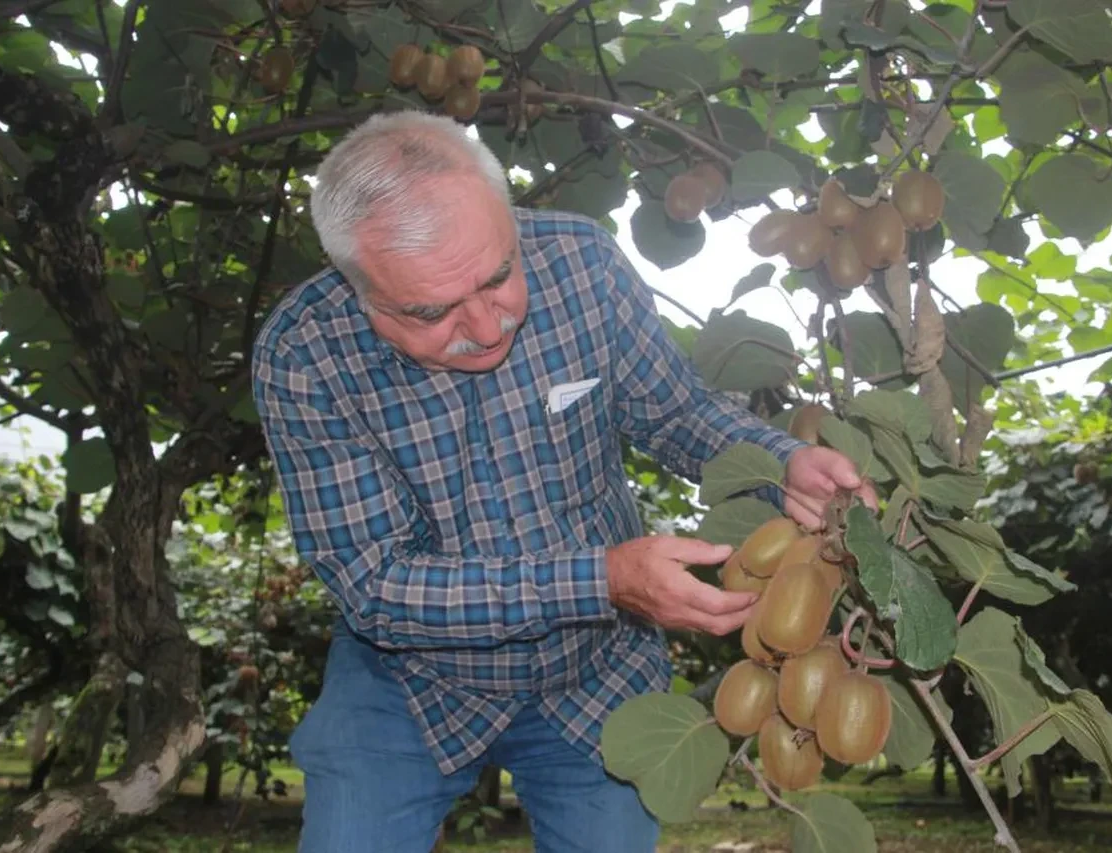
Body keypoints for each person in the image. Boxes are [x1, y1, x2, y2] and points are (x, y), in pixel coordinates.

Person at [251, 109, 876, 853]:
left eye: (498, 277)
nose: (487, 327)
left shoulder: (581, 264)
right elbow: (378, 583)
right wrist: (602, 580)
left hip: (596, 672)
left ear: (509, 221)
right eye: (431, 312)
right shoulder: (304, 354)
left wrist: (782, 464)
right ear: (359, 292)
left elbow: (676, 413)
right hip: (408, 684)